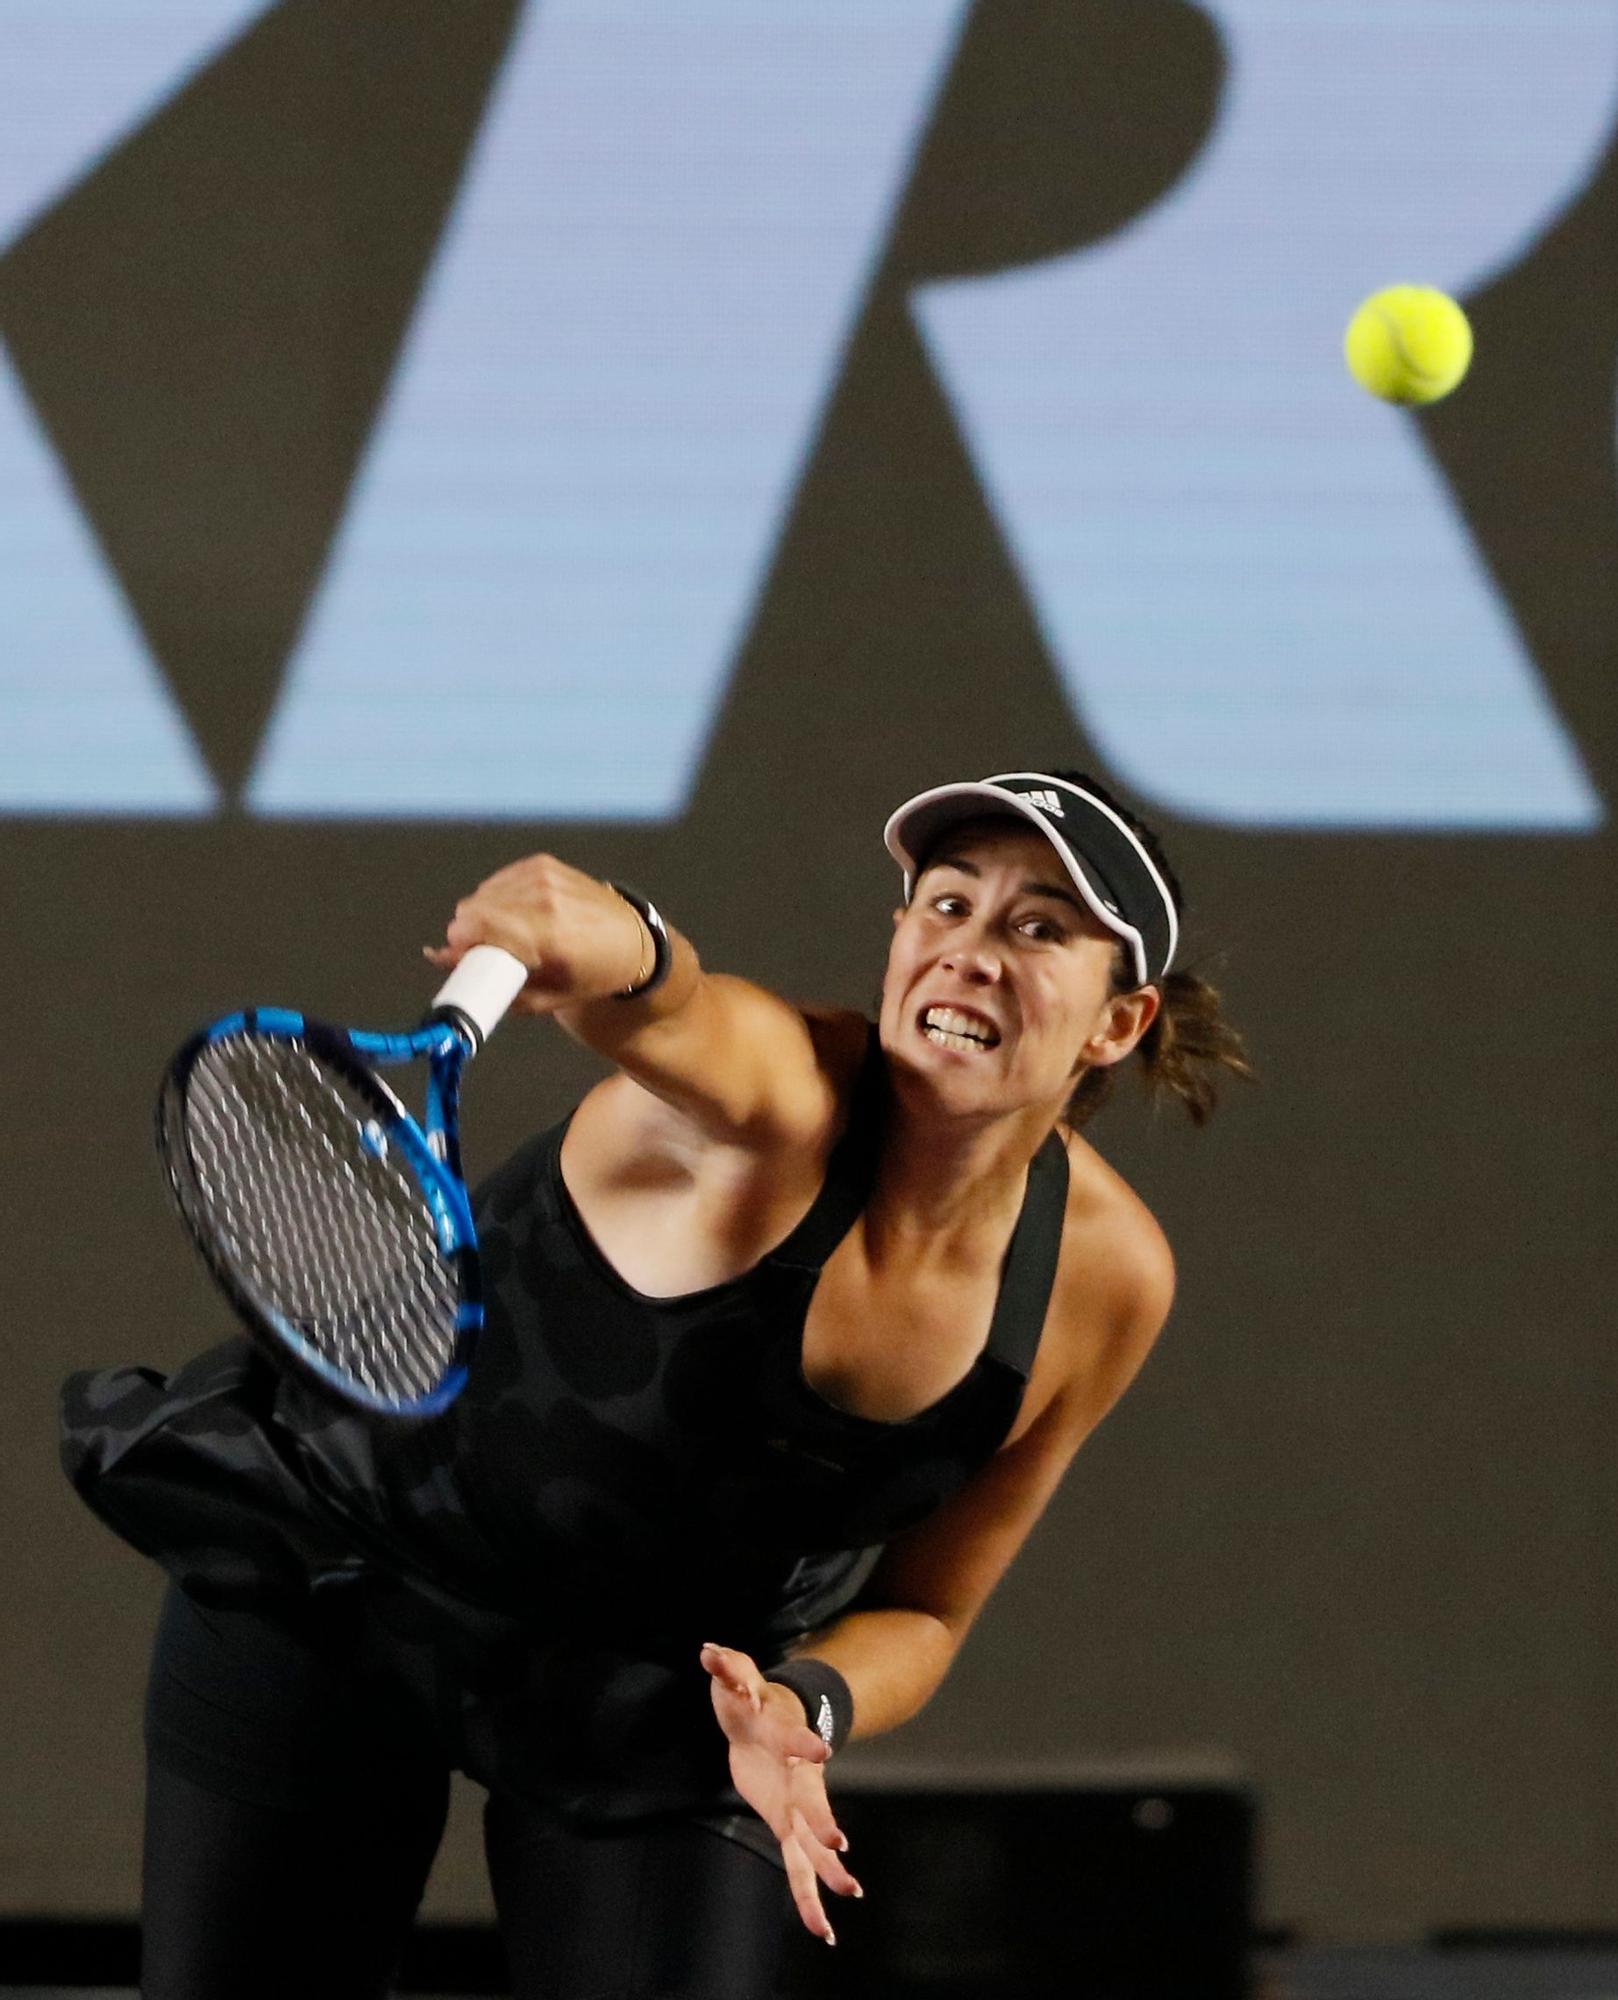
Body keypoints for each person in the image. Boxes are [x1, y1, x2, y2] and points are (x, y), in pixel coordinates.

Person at [61, 768, 1250, 2000]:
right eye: (944, 905)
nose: (970, 952)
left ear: (1118, 1020)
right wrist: (607, 928)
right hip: (351, 1566)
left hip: (654, 1685)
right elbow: (670, 1003)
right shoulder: (777, 1099)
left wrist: (804, 1705)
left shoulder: (1102, 1280)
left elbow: (929, 1610)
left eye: (1038, 925)